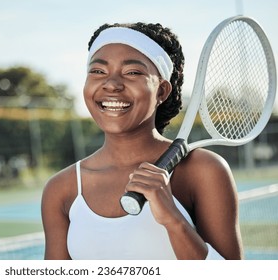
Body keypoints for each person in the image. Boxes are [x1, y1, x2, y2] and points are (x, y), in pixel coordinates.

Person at [41, 22, 243, 260]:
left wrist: (173, 220)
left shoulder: (204, 170)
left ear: (162, 91)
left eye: (132, 72)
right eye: (98, 71)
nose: (112, 84)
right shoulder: (61, 189)